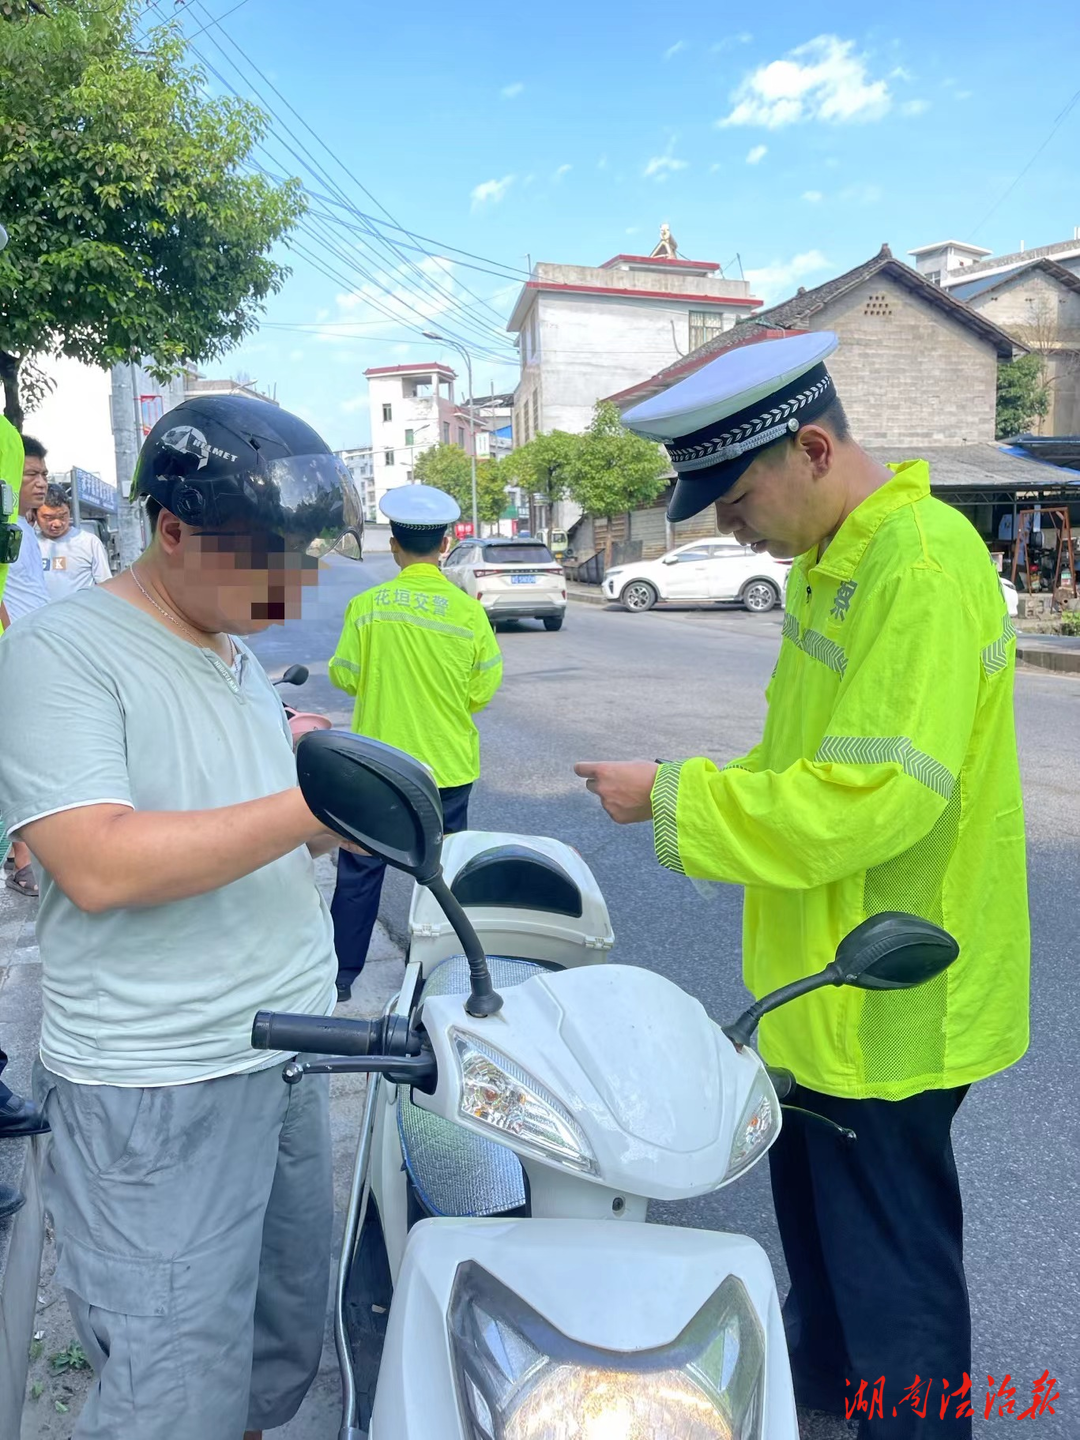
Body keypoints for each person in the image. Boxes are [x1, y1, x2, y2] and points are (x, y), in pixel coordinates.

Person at [575, 332, 1029, 1440]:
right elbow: (802, 769)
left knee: (894, 1278)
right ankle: (826, 1402)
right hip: (822, 996)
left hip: (889, 992)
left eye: (736, 508)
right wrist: (703, 782)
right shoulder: (841, 561)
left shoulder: (916, 569)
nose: (734, 534)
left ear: (813, 449)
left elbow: (870, 800)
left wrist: (673, 801)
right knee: (825, 1246)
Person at [0, 394, 364, 1440]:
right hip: (158, 1086)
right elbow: (98, 862)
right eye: (267, 561)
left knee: (269, 1347)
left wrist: (330, 807)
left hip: (283, 1053)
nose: (289, 588)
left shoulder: (234, 651)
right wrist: (312, 806)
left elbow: (233, 819)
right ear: (169, 529)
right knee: (168, 1386)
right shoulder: (62, 655)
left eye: (302, 558)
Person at [328, 483, 503, 1001]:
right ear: (445, 544)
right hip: (448, 769)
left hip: (378, 770)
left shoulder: (367, 606)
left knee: (359, 870)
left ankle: (341, 978)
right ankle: (439, 974)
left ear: (395, 546)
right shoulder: (468, 612)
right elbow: (482, 689)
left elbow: (345, 677)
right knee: (443, 876)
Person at [2, 436, 51, 898]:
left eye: (43, 475)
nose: (40, 483)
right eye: (30, 474)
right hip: (15, 655)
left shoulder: (25, 531)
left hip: (38, 650)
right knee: (22, 755)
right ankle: (22, 859)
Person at [37, 484, 112, 598]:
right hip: (39, 615)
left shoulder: (89, 543)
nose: (57, 524)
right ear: (34, 514)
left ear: (70, 511)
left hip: (79, 614)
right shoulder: (30, 545)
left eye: (63, 516)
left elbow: (106, 586)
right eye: (48, 518)